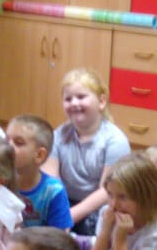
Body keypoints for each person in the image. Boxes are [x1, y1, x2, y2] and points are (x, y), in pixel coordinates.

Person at [42, 68, 130, 235]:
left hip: (97, 206)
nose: (74, 103)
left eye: (81, 97)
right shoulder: (58, 136)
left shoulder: (115, 141)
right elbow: (51, 182)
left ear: (101, 102)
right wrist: (60, 212)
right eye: (68, 99)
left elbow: (107, 191)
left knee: (104, 221)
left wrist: (68, 217)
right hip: (65, 202)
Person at [87, 153, 157, 250]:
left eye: (123, 197)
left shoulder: (156, 230)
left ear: (146, 197)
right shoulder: (108, 214)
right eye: (110, 195)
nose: (114, 204)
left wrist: (119, 239)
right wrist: (106, 230)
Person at [6, 114, 72, 230]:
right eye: (6, 140)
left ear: (39, 155)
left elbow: (60, 235)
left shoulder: (53, 191)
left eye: (19, 143)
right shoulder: (0, 181)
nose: (7, 147)